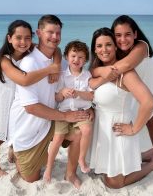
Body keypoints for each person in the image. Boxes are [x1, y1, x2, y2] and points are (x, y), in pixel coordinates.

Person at [8, 15, 91, 189]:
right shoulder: (30, 64)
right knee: (31, 179)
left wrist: (90, 108)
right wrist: (65, 115)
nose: (54, 37)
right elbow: (31, 107)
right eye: (50, 32)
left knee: (78, 133)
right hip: (28, 131)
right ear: (38, 33)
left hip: (47, 124)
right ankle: (15, 150)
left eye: (58, 33)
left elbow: (60, 53)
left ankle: (70, 173)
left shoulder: (56, 59)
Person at [0, 20, 61, 177]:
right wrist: (49, 69)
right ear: (9, 38)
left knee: (8, 129)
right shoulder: (4, 59)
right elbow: (24, 80)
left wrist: (57, 64)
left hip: (12, 93)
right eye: (18, 38)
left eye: (28, 38)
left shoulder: (29, 49)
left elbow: (56, 49)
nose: (23, 42)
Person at [89, 27, 153, 189]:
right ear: (94, 50)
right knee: (102, 171)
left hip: (119, 133)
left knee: (114, 183)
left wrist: (134, 129)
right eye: (100, 46)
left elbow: (148, 102)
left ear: (116, 47)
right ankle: (145, 154)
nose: (104, 50)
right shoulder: (95, 71)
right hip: (102, 133)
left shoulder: (125, 74)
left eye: (109, 45)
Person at [43, 40, 94, 183]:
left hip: (81, 111)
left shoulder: (87, 75)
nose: (76, 60)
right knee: (58, 138)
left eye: (81, 57)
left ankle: (81, 159)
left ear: (85, 60)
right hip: (63, 113)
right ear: (66, 57)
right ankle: (48, 168)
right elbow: (57, 98)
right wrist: (63, 92)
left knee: (87, 129)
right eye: (73, 56)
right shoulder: (62, 75)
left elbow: (91, 95)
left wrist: (78, 93)